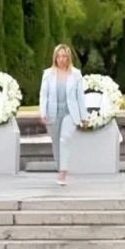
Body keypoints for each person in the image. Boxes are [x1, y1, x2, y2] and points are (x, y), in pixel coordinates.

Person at [38, 44, 88, 186]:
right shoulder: (48, 74)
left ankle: (63, 173)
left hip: (69, 113)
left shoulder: (75, 74)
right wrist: (42, 112)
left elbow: (80, 96)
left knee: (64, 139)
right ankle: (60, 167)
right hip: (52, 112)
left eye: (64, 56)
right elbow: (43, 95)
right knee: (56, 143)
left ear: (68, 58)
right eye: (59, 57)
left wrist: (84, 116)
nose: (61, 59)